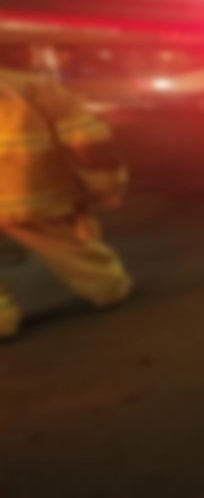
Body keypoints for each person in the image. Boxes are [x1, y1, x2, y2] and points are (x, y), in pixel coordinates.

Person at [0, 45, 131, 339]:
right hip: (32, 193)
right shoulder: (36, 88)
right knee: (74, 251)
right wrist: (106, 188)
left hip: (28, 193)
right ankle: (109, 291)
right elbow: (88, 143)